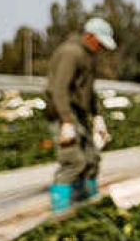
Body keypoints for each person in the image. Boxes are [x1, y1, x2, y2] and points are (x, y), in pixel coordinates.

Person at [44, 17, 116, 212]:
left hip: (79, 113)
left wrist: (97, 116)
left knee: (92, 159)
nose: (101, 47)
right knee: (74, 161)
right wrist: (66, 121)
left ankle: (85, 204)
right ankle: (60, 210)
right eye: (100, 43)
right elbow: (59, 90)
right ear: (90, 36)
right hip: (63, 112)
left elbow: (87, 90)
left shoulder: (88, 56)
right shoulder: (71, 53)